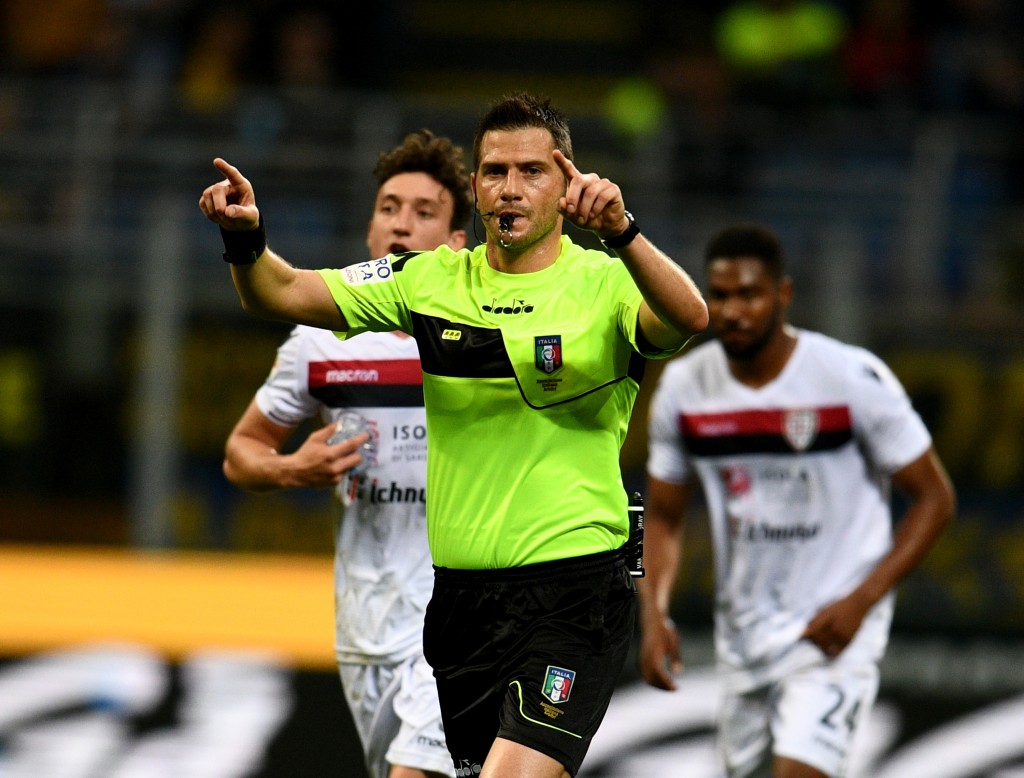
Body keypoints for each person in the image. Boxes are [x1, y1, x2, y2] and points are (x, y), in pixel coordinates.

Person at [199, 92, 708, 778]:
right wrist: (244, 236)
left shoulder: (604, 282)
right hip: (462, 603)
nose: (510, 188)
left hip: (573, 593)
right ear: (474, 188)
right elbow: (282, 291)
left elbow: (688, 317)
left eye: (532, 171)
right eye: (495, 171)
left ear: (567, 185)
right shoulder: (428, 280)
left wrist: (623, 232)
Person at [638, 223, 956, 778]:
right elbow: (663, 515)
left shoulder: (848, 377)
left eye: (749, 294)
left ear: (782, 294)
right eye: (721, 296)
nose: (733, 312)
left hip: (831, 630)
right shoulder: (686, 389)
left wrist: (862, 601)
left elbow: (935, 498)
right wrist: (654, 613)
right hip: (745, 636)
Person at [221, 129, 472, 778]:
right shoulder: (319, 344)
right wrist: (289, 469)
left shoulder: (485, 336)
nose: (401, 224)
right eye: (389, 208)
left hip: (462, 621)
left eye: (424, 212)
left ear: (455, 243)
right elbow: (240, 452)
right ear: (369, 231)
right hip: (366, 630)